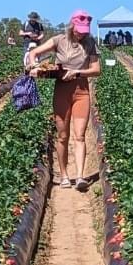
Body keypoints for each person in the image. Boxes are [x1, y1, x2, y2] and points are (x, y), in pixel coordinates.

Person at [28, 10, 101, 190]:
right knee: (62, 136)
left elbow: (96, 69)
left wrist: (77, 72)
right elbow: (34, 52)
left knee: (80, 135)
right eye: (79, 30)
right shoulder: (59, 40)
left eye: (84, 31)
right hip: (62, 90)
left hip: (81, 91)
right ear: (72, 26)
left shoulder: (90, 43)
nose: (81, 34)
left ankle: (81, 176)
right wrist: (35, 65)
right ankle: (65, 176)